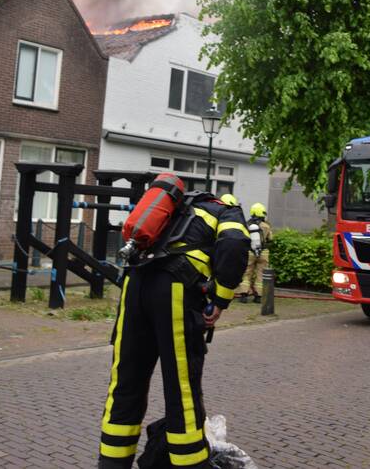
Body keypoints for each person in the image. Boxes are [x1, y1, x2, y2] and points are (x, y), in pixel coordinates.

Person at [98, 186, 249, 468]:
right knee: (182, 390)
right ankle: (190, 464)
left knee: (125, 384)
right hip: (174, 288)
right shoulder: (227, 211)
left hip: (135, 285)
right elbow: (235, 243)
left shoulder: (176, 210)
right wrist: (220, 299)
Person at [237, 202, 273, 304]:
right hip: (263, 253)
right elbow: (270, 239)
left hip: (250, 252)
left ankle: (243, 295)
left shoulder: (247, 224)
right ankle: (258, 297)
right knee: (260, 274)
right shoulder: (266, 226)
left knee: (246, 273)